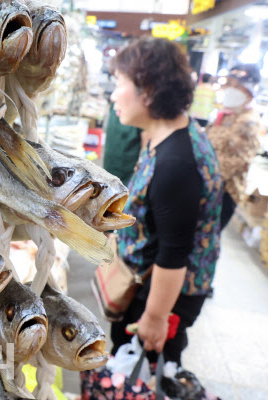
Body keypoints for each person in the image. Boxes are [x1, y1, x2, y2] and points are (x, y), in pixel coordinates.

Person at [107, 37, 223, 366]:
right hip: (151, 284)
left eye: (120, 84)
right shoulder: (169, 136)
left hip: (162, 295)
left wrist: (155, 319)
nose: (113, 95)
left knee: (139, 372)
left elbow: (174, 252)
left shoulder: (176, 162)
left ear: (149, 89)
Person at [206, 64, 263, 230]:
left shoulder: (248, 122)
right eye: (229, 84)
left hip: (222, 193)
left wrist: (203, 171)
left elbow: (237, 162)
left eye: (236, 86)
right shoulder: (226, 115)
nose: (230, 90)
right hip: (209, 188)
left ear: (249, 92)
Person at [103, 102, 142, 186]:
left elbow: (145, 144)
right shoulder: (116, 103)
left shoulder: (139, 111)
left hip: (126, 167)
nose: (113, 96)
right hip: (110, 160)